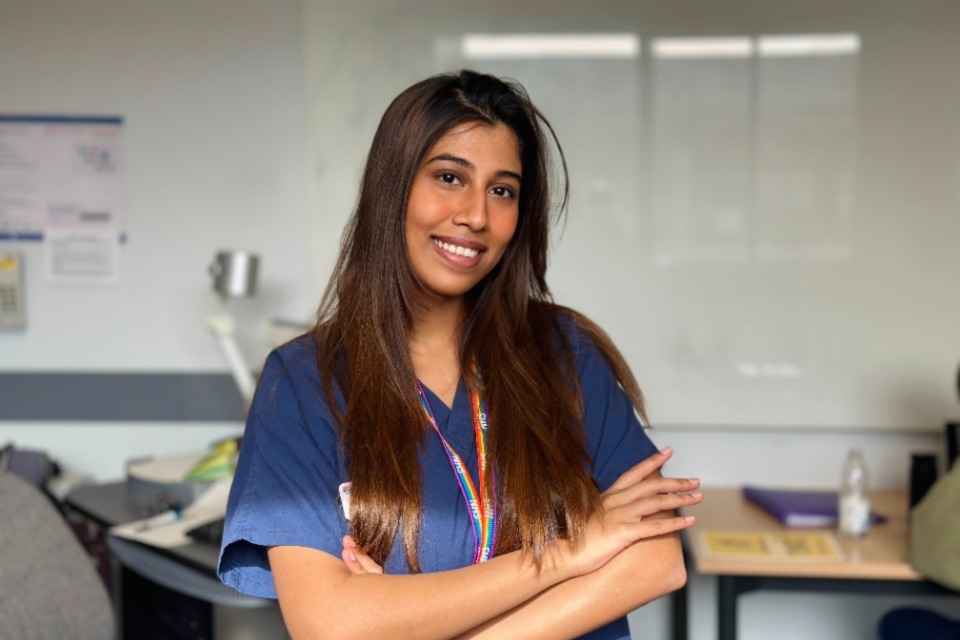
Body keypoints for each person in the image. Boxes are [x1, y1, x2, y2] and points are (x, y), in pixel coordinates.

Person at [218, 69, 702, 640]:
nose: (476, 215)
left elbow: (657, 561)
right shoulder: (304, 382)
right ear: (393, 189)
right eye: (450, 177)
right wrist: (569, 553)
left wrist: (404, 621)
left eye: (502, 190)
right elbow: (329, 625)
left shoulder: (564, 353)